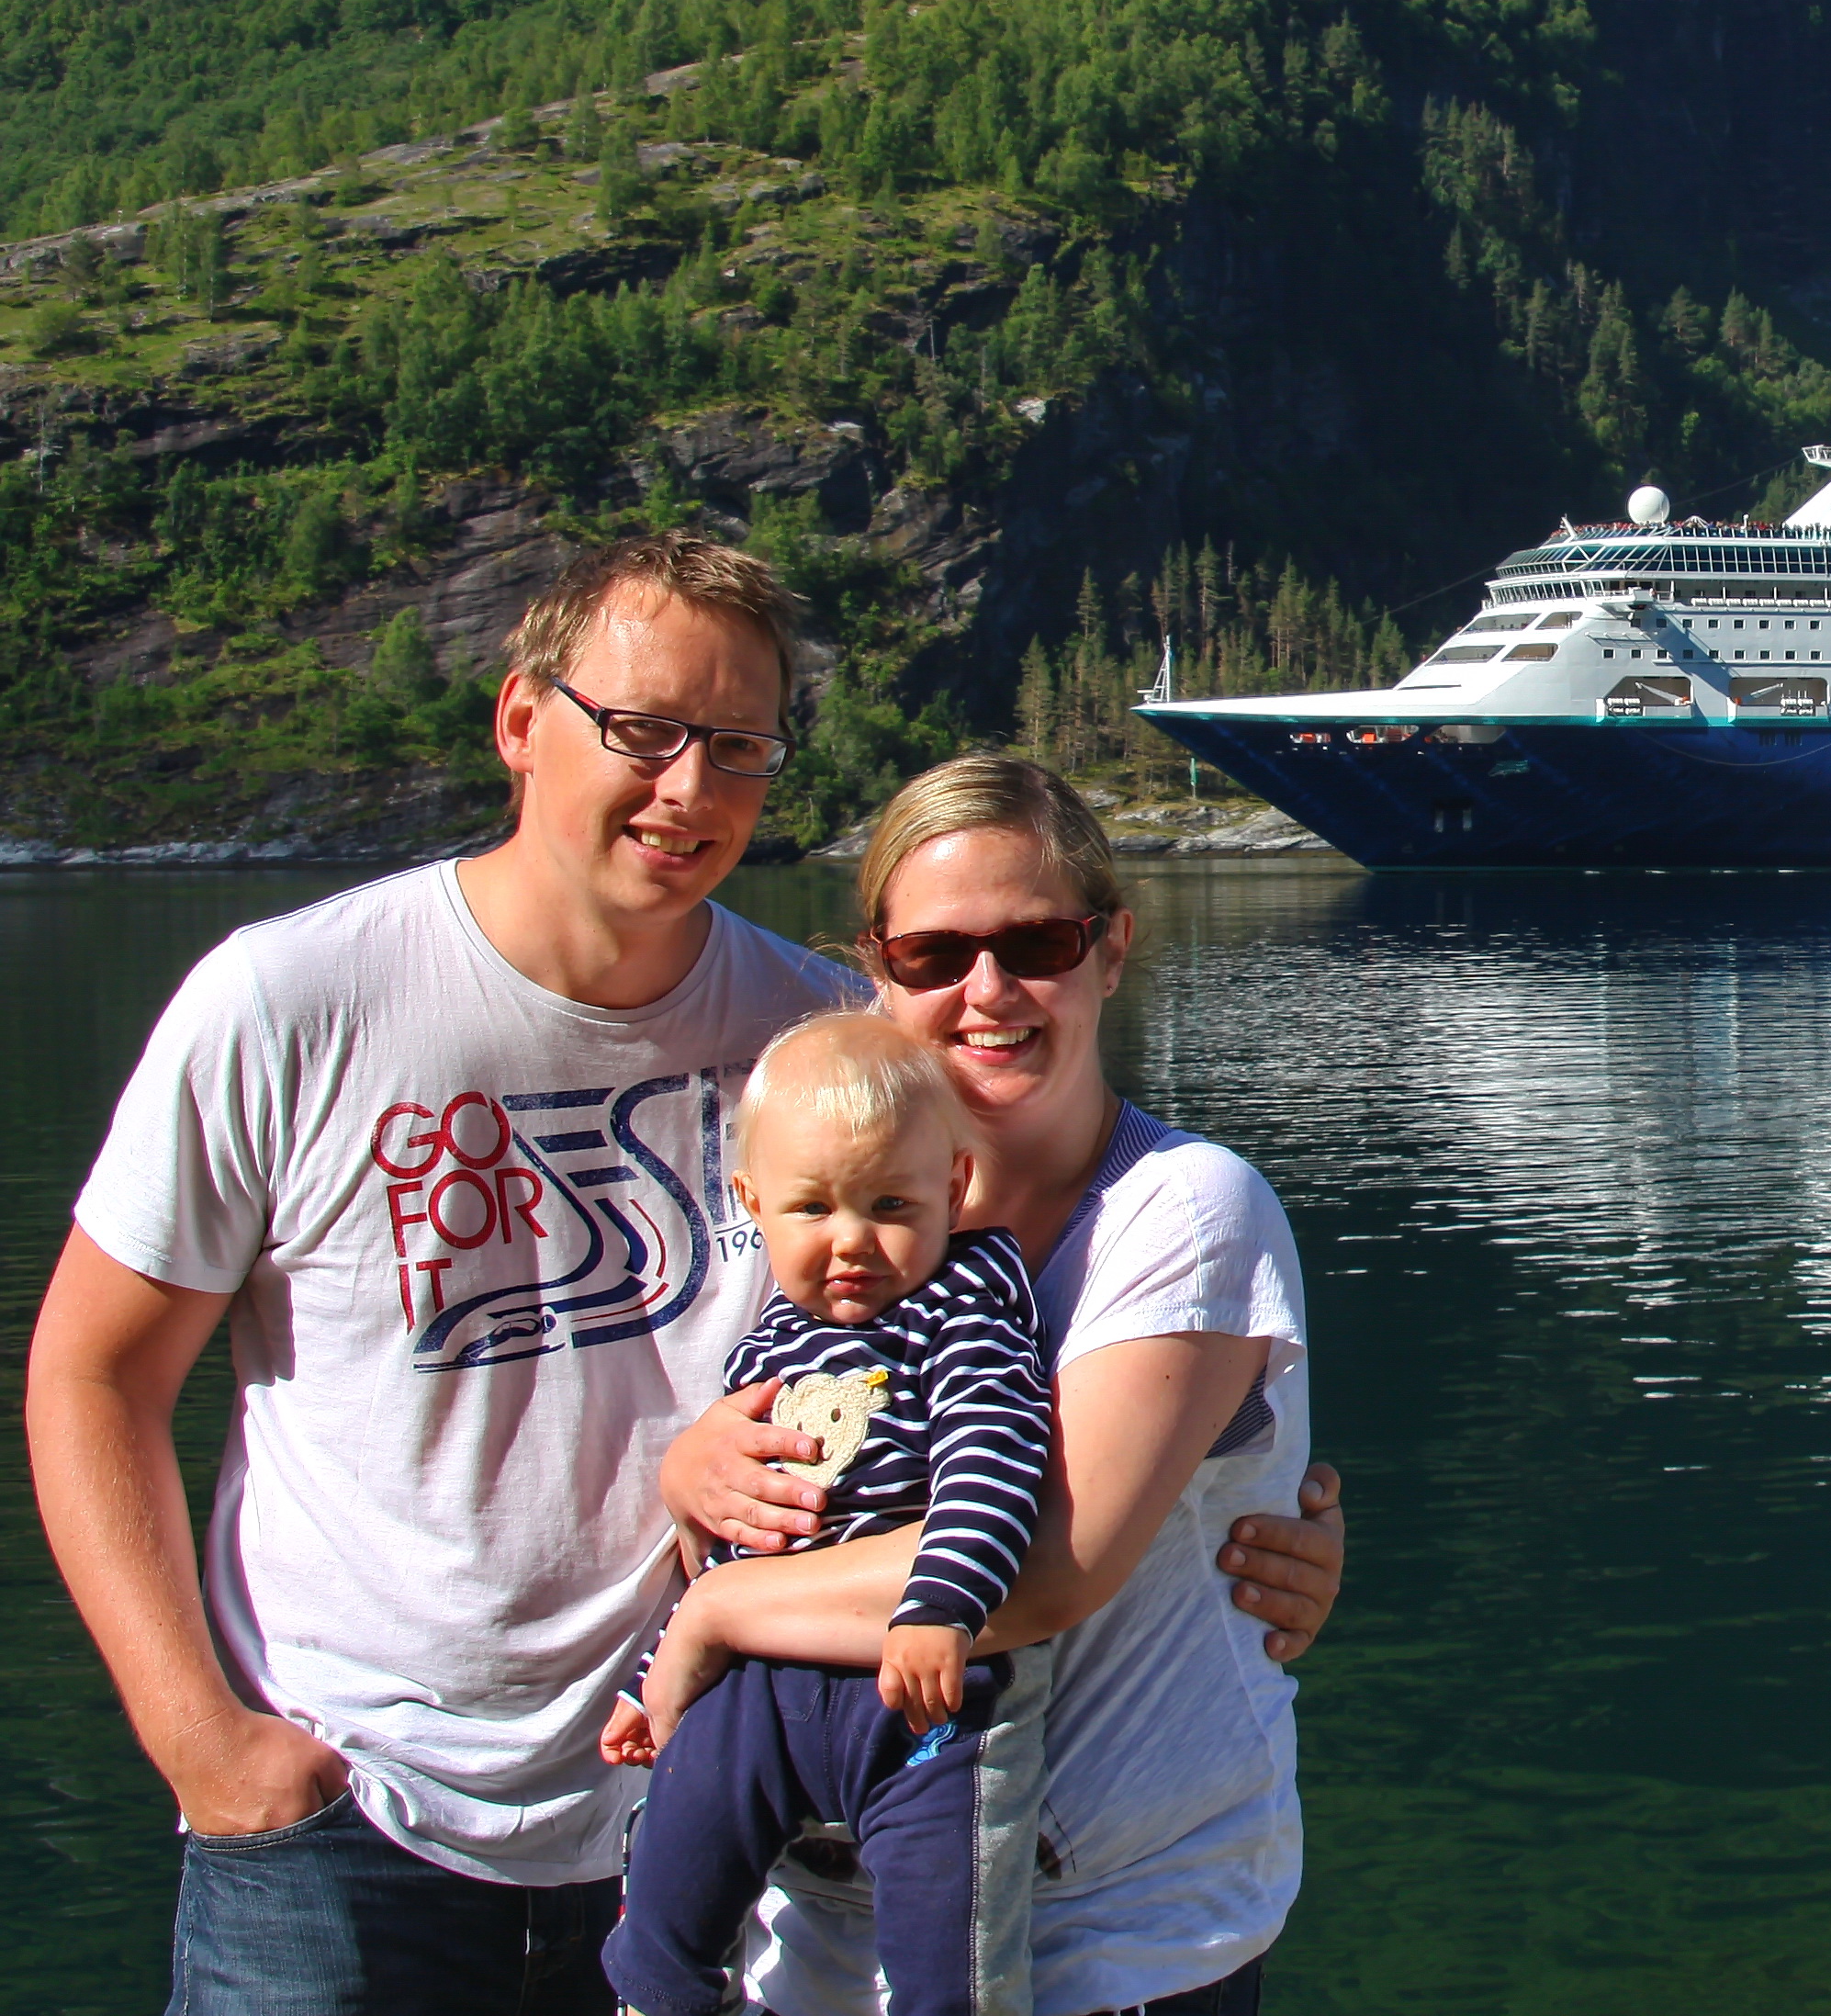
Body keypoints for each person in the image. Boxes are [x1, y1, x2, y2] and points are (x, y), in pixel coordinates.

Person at [22, 533, 1344, 2015]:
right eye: (642, 731)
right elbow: (90, 1370)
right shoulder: (292, 1001)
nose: (690, 787)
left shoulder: (836, 1045)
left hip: (699, 1827)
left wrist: (1266, 1512)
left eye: (738, 746)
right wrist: (202, 1737)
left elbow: (1015, 1384)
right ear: (523, 721)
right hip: (354, 1820)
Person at [650, 754, 1306, 2016]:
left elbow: (1048, 1571)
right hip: (819, 1949)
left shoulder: (1184, 1211)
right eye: (933, 956)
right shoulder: (830, 1224)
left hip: (1113, 1948)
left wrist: (720, 1615)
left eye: (1037, 943)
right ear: (874, 969)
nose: (987, 991)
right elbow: (750, 1458)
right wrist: (691, 1472)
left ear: (1110, 948)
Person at [604, 1009, 1055, 2016]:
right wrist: (649, 1680)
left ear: (955, 1188)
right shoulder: (770, 1344)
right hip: (757, 1681)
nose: (851, 1241)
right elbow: (730, 1547)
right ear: (752, 1204)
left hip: (918, 1686)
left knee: (950, 1945)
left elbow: (997, 1457)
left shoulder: (964, 1311)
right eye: (813, 1209)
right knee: (668, 1886)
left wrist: (941, 1608)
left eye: (890, 1203)